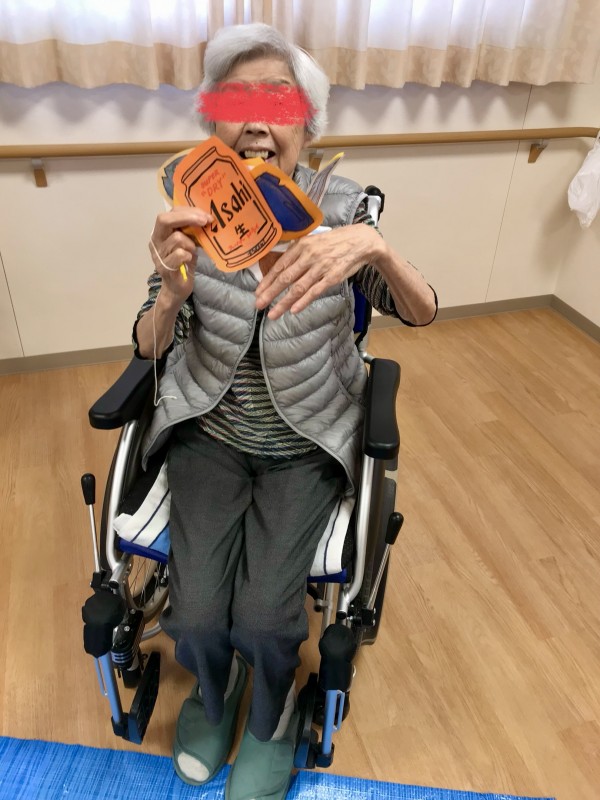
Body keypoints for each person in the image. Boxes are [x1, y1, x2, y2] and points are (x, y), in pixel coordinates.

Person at [134, 22, 437, 800]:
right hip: (211, 434)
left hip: (307, 440)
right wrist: (169, 292)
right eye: (237, 102)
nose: (259, 120)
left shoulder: (341, 210)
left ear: (309, 125)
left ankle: (270, 714)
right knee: (195, 615)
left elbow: (422, 311)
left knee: (268, 619)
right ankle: (216, 690)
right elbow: (147, 343)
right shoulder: (192, 205)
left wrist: (374, 248)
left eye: (280, 101)